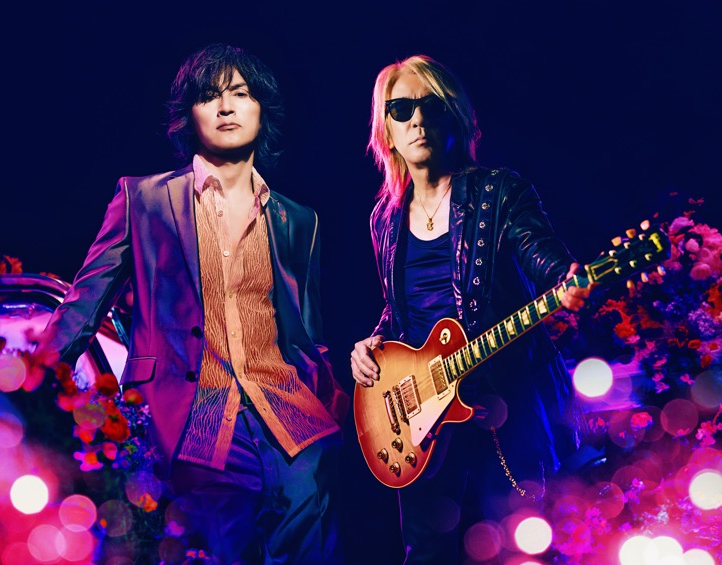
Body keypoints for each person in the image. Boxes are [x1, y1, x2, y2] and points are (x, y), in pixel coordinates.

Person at [37, 43, 348, 564]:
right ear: (190, 115)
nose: (225, 107)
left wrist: (334, 414)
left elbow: (308, 336)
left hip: (295, 424)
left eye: (240, 93)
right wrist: (28, 384)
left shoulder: (299, 220)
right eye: (209, 96)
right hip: (191, 422)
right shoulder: (143, 199)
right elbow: (83, 307)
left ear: (262, 109)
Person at [350, 54, 592, 563]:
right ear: (386, 130)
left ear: (453, 116)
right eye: (400, 109)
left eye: (430, 106)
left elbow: (541, 253)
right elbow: (400, 309)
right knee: (427, 550)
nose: (417, 119)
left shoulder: (499, 192)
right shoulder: (384, 219)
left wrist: (563, 279)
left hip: (500, 401)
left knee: (519, 541)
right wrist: (372, 343)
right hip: (420, 412)